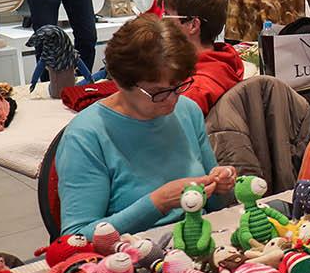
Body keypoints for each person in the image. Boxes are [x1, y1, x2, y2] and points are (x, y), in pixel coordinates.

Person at [55, 14, 237, 238]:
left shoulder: (187, 110)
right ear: (121, 82)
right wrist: (157, 203)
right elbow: (77, 237)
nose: (172, 99)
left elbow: (217, 206)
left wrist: (220, 184)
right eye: (157, 92)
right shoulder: (86, 136)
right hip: (128, 253)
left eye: (178, 86)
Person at [157, 0, 244, 115]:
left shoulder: (194, 90)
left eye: (167, 16)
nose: (161, 21)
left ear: (193, 25)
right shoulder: (224, 60)